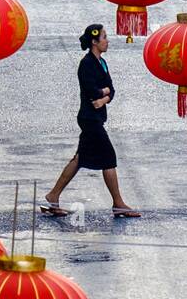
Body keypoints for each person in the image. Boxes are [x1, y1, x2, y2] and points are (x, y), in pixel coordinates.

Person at [42, 24, 141, 219]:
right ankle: (118, 203)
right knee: (109, 158)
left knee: (79, 159)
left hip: (96, 117)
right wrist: (103, 93)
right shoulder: (86, 64)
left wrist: (104, 96)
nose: (107, 40)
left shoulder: (102, 63)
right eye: (104, 37)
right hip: (90, 120)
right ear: (94, 42)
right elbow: (91, 92)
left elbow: (110, 90)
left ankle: (53, 195)